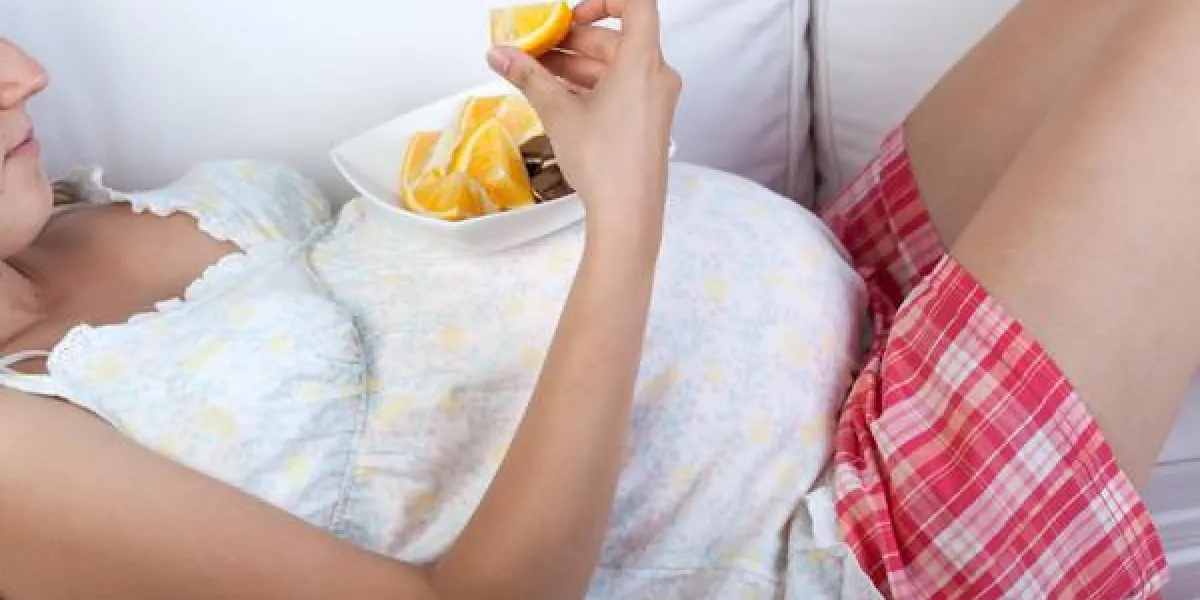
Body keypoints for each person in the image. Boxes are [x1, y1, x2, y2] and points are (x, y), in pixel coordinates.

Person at [0, 0, 1190, 597]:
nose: (29, 75)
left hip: (848, 313)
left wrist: (558, 143)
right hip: (834, 542)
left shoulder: (45, 211)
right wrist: (626, 212)